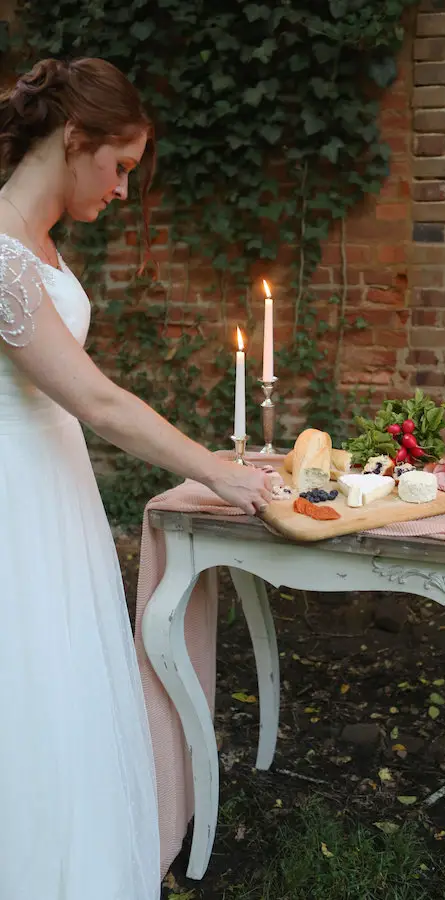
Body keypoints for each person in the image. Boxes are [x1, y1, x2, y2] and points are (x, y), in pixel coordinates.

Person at [0, 57, 273, 899]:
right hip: (16, 500)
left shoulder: (37, 244)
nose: (123, 191)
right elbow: (94, 399)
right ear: (74, 141)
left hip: (58, 490)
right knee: (32, 694)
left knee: (72, 694)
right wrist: (217, 472)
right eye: (118, 166)